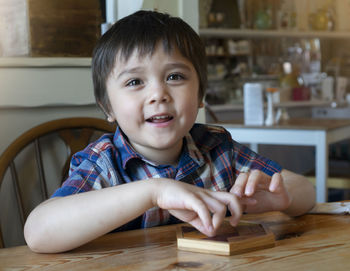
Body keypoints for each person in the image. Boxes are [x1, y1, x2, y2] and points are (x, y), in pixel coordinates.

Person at [24, 10, 315, 253]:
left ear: (200, 94)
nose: (158, 94)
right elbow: (38, 232)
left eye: (175, 77)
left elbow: (307, 190)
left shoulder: (217, 147)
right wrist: (154, 192)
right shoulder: (104, 164)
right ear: (107, 107)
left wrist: (283, 198)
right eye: (135, 82)